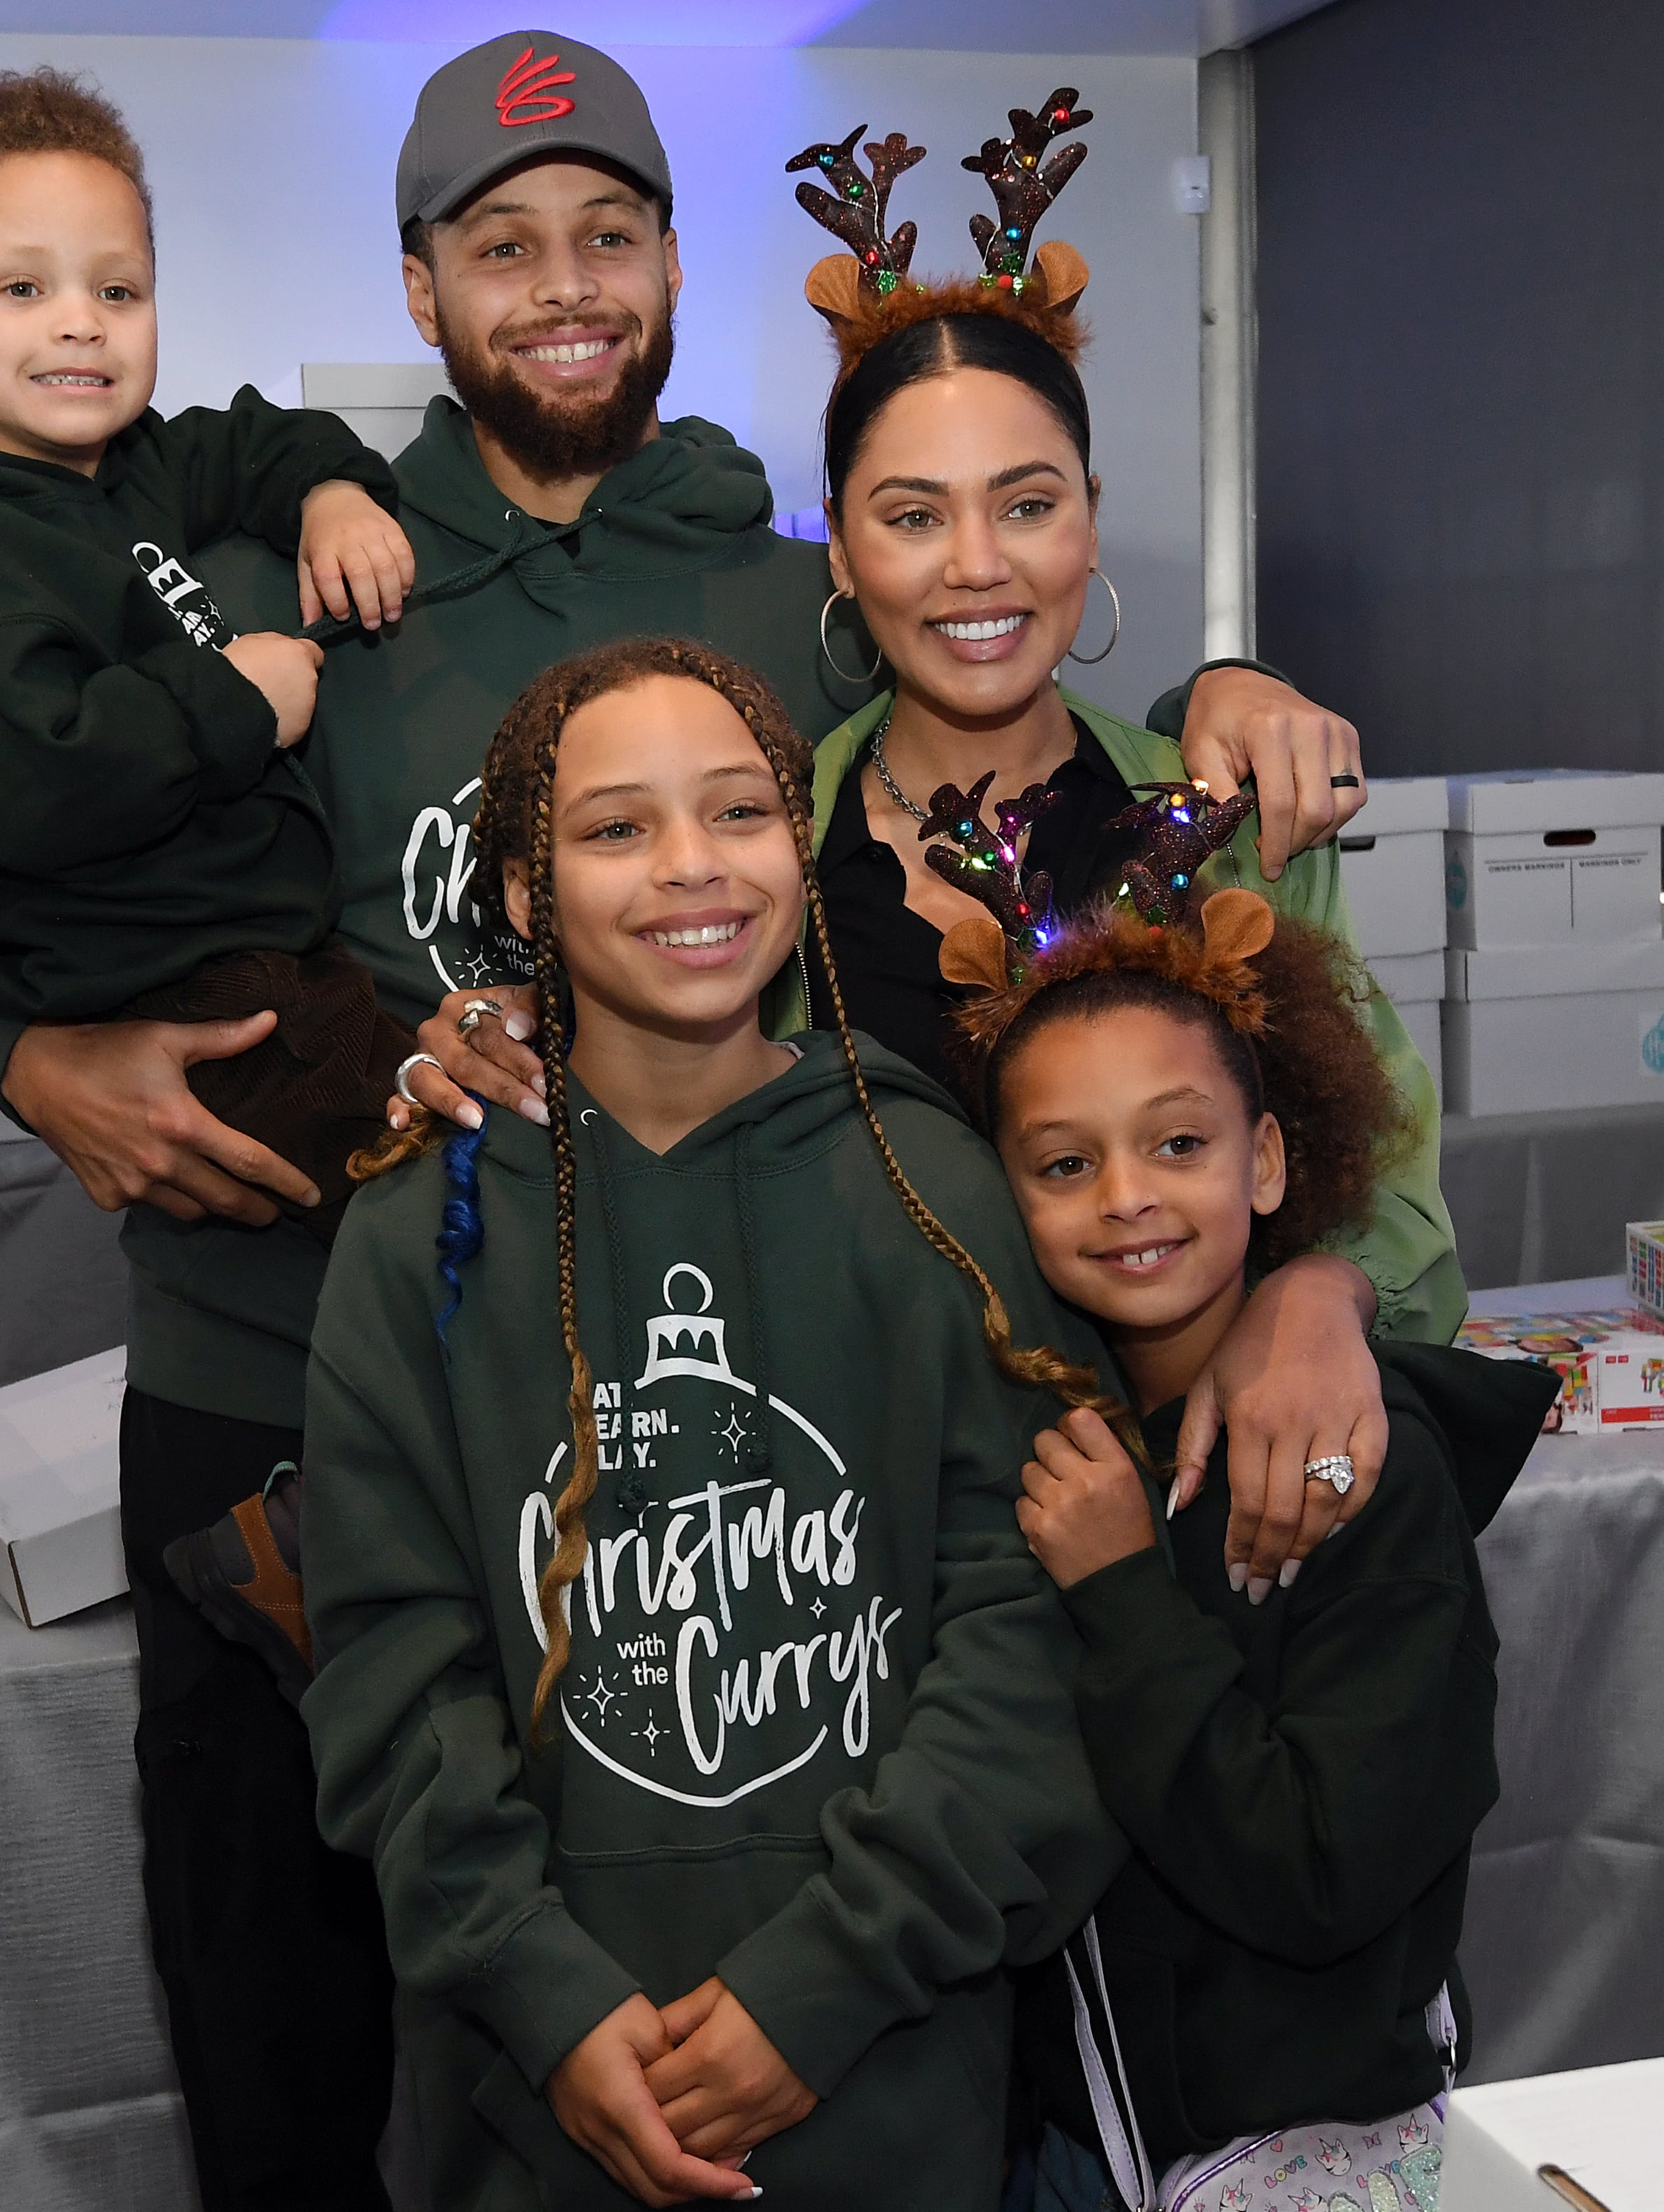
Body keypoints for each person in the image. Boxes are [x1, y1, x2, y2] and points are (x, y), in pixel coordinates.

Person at [0, 38, 1374, 2206]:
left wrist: (1225, 694)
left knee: (778, 1868)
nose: (561, 288)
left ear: (678, 265)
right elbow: (2, 789)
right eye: (500, 249)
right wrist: (13, 1042)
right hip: (285, 1359)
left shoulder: (786, 582)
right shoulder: (307, 563)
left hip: (745, 1351)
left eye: (607, 236)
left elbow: (1000, 658)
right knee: (309, 2028)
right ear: (420, 295)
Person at [404, 90, 1455, 1601]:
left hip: (1214, 1543)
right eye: (911, 515)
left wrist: (1321, 1293)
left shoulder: (1230, 820)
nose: (975, 566)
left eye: (1024, 504)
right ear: (836, 542)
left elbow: (1394, 1189)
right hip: (861, 1571)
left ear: (1087, 522)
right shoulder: (763, 868)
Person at [300, 639, 1126, 2211]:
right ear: (526, 895)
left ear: (791, 846)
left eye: (738, 811)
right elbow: (389, 1666)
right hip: (535, 2099)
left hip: (887, 2069)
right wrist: (545, 1994)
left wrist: (822, 1981)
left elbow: (1024, 1625)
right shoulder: (421, 1231)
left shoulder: (933, 1189)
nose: (689, 865)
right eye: (614, 828)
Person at [928, 871, 1548, 2211]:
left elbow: (1322, 1872)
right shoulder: (1055, 1449)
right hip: (1074, 2142)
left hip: (1292, 2152)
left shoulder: (1366, 1476)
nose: (1126, 1199)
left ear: (1265, 1160)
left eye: (1178, 1145)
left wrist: (1123, 1595)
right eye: (1062, 1164)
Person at [0, 66, 416, 1234]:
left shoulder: (134, 465)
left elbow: (259, 438)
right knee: (427, 1176)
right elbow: (33, 778)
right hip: (142, 977)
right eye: (22, 287)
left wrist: (331, 489)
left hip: (242, 942)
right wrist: (237, 700)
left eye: (118, 289)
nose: (80, 320)